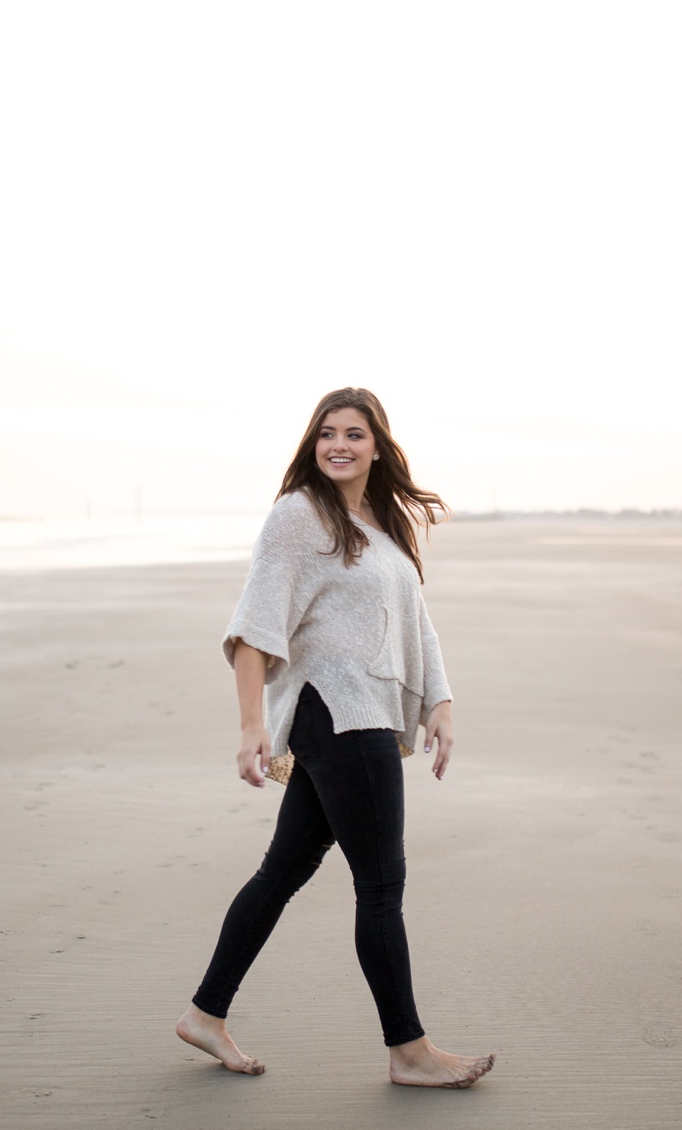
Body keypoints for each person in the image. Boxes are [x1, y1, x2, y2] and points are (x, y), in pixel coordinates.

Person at [174, 388, 496, 1088]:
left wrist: (438, 699)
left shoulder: (379, 524)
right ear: (312, 445)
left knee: (284, 871)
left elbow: (417, 621)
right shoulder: (299, 518)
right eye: (326, 433)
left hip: (368, 714)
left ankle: (205, 1015)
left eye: (354, 433)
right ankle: (409, 1051)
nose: (338, 444)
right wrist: (252, 726)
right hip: (338, 715)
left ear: (377, 445)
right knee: (381, 883)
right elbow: (255, 624)